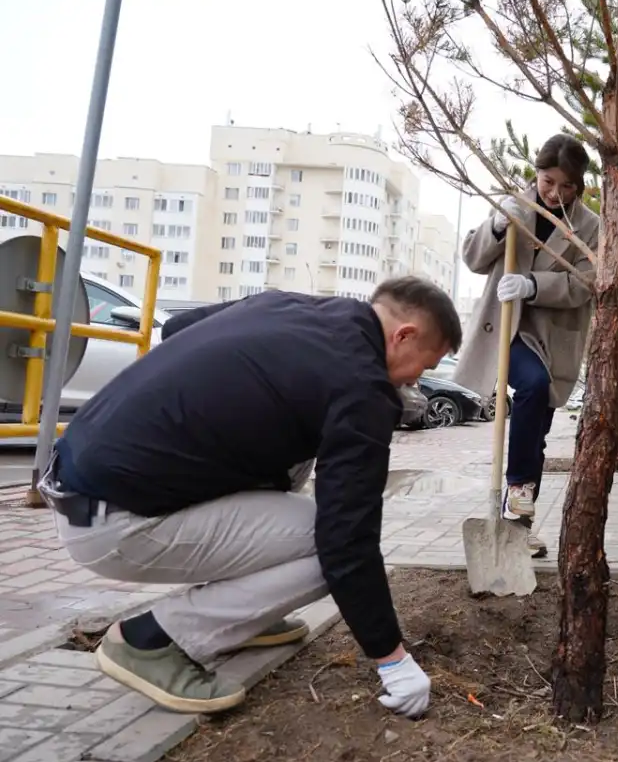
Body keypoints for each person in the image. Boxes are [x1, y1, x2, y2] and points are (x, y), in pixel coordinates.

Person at [37, 278, 461, 717]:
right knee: (327, 553)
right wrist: (392, 659)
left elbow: (178, 328)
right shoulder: (362, 388)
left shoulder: (285, 304)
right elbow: (347, 541)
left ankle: (245, 613)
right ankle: (155, 639)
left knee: (297, 463)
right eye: (424, 366)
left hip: (79, 480)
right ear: (403, 335)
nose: (417, 379)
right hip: (117, 522)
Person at [453, 134, 599, 556]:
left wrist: (534, 283)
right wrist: (498, 227)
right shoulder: (512, 206)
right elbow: (474, 259)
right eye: (548, 181)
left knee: (535, 436)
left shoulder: (589, 226)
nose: (555, 193)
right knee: (532, 386)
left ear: (579, 185)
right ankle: (518, 491)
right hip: (506, 330)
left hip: (552, 336)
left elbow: (584, 283)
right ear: (536, 174)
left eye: (566, 186)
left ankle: (519, 524)